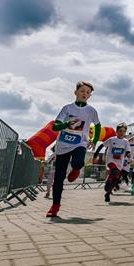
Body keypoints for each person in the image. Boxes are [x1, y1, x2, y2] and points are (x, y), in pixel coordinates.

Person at [46, 81, 101, 217]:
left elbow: (98, 125)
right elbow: (55, 126)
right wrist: (66, 123)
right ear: (75, 92)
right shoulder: (67, 108)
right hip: (63, 144)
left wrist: (94, 141)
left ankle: (76, 169)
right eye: (82, 91)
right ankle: (55, 205)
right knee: (59, 177)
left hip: (80, 143)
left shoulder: (91, 111)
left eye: (88, 92)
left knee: (78, 162)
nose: (85, 94)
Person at [101, 123, 131, 203]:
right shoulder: (112, 139)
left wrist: (129, 156)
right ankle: (108, 181)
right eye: (120, 131)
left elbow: (128, 151)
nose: (122, 133)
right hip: (110, 160)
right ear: (117, 131)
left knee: (116, 179)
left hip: (119, 163)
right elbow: (102, 145)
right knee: (114, 171)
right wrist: (96, 155)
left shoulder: (126, 142)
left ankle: (107, 194)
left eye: (124, 131)